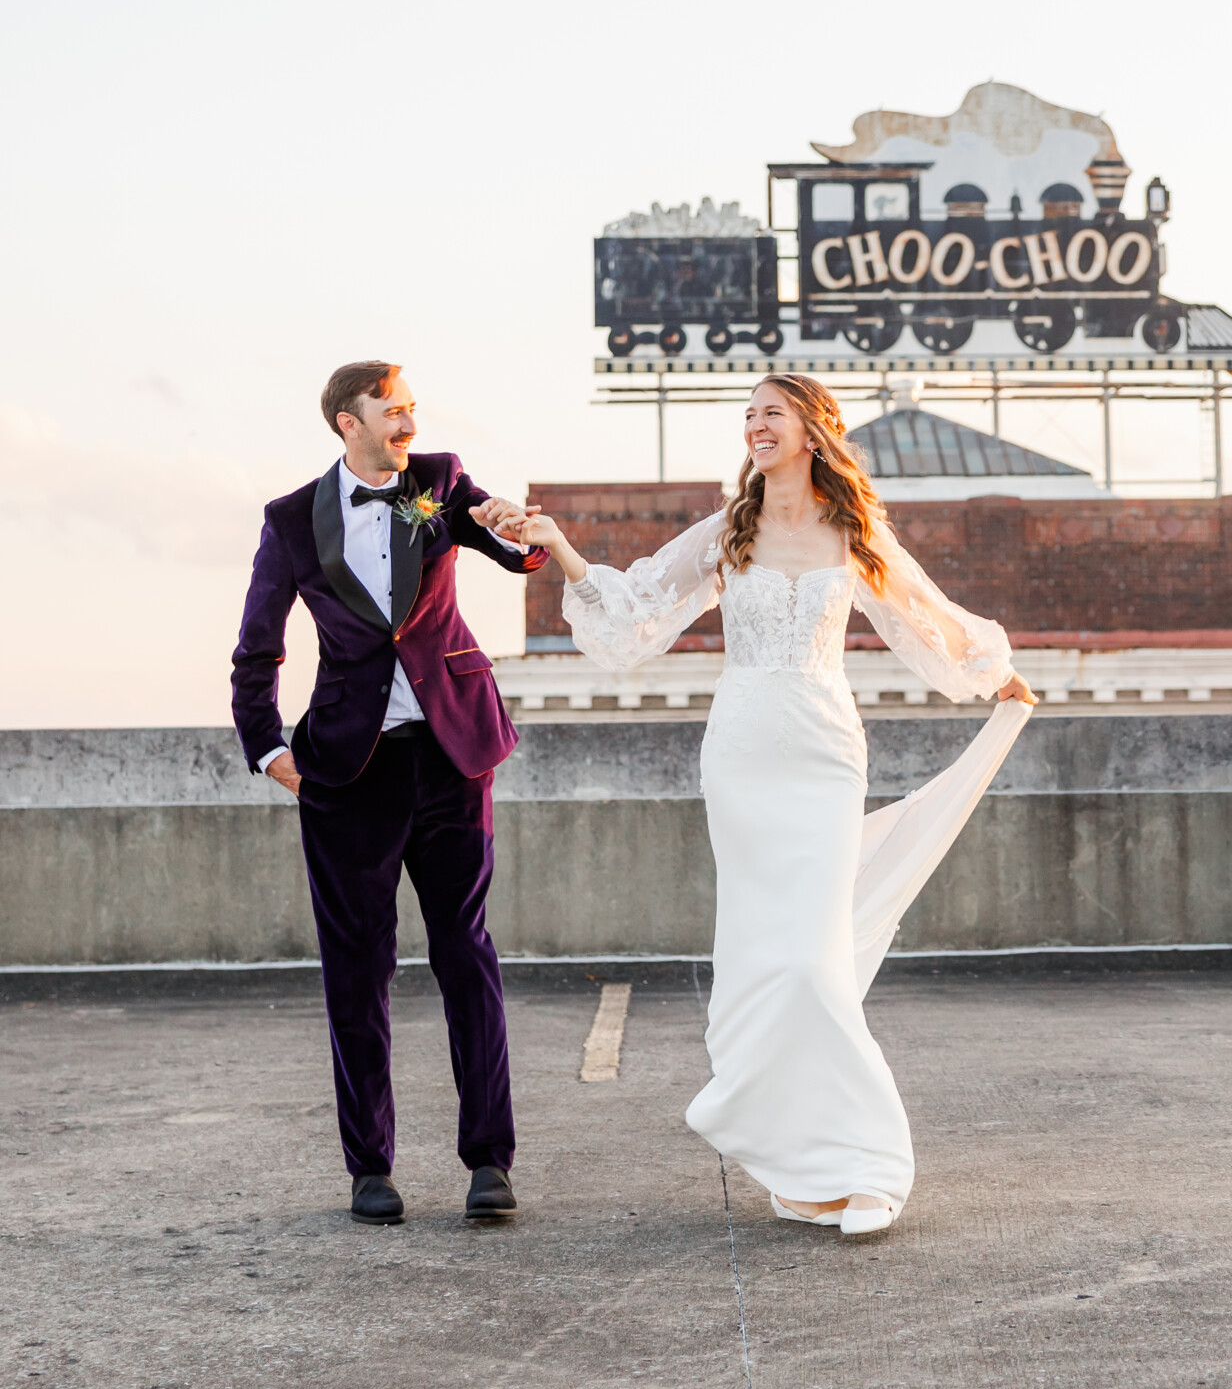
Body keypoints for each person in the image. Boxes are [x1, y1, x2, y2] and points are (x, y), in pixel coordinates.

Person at [496, 373, 1035, 1236]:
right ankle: (799, 1172)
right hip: (743, 750)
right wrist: (559, 545)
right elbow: (634, 613)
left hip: (824, 750)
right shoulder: (728, 530)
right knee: (763, 956)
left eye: (770, 413)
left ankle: (860, 1164)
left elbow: (925, 620)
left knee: (814, 962)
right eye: (746, 414)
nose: (753, 425)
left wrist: (993, 675)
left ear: (814, 430)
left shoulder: (856, 532)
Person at [230, 360, 546, 1226]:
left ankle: (489, 1159)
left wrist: (516, 530)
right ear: (347, 422)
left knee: (465, 951)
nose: (407, 422)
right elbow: (258, 648)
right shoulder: (292, 520)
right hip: (346, 772)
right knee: (356, 970)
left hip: (452, 753)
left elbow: (511, 550)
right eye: (391, 410)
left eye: (411, 409)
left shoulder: (437, 482)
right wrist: (267, 749)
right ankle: (370, 1168)